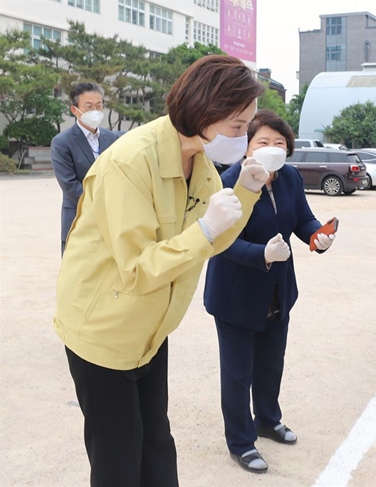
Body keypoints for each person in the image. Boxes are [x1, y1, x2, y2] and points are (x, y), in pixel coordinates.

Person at [53, 55, 268, 487]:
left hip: (149, 328)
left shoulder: (200, 163)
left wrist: (245, 192)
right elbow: (136, 269)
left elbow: (213, 242)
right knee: (118, 455)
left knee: (156, 445)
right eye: (237, 126)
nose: (242, 138)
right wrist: (205, 228)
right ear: (204, 112)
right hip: (104, 331)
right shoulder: (131, 162)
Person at [203, 109, 336, 474]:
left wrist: (315, 236)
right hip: (235, 295)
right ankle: (241, 442)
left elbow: (302, 218)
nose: (273, 148)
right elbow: (220, 241)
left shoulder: (289, 178)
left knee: (270, 364)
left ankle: (267, 419)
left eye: (280, 143)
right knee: (237, 373)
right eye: (264, 141)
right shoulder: (229, 182)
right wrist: (260, 254)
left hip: (277, 291)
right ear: (247, 146)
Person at [51, 82, 119, 255]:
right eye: (88, 107)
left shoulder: (111, 138)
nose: (95, 111)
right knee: (76, 276)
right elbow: (70, 184)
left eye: (99, 106)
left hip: (111, 220)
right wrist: (100, 204)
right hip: (78, 216)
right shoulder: (62, 142)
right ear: (75, 110)